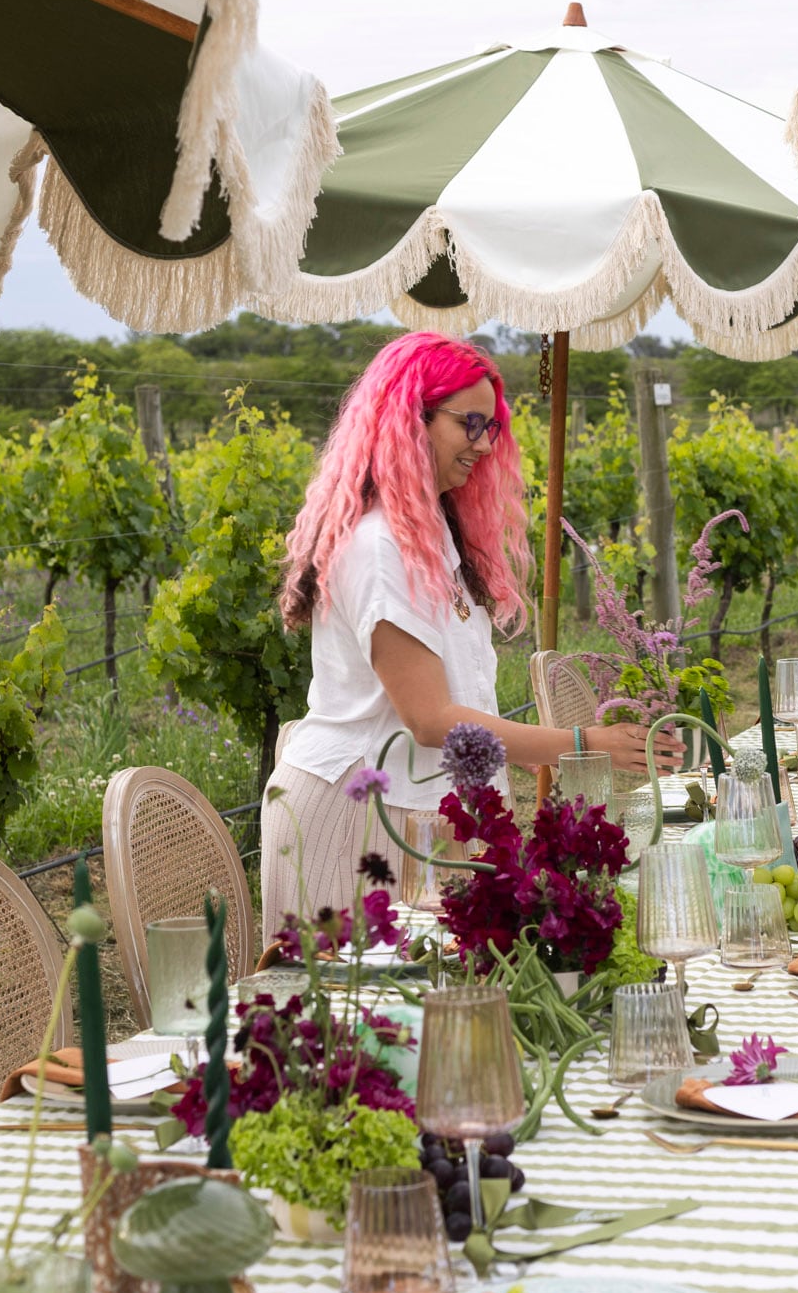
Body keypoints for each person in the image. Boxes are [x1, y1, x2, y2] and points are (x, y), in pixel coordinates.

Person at [268, 331, 681, 935]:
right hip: (356, 817)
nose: (485, 445)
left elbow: (454, 700)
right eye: (470, 424)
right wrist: (579, 743)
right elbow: (431, 719)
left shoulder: (430, 534)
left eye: (492, 428)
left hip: (416, 813)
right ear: (410, 418)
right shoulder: (380, 547)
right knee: (360, 994)